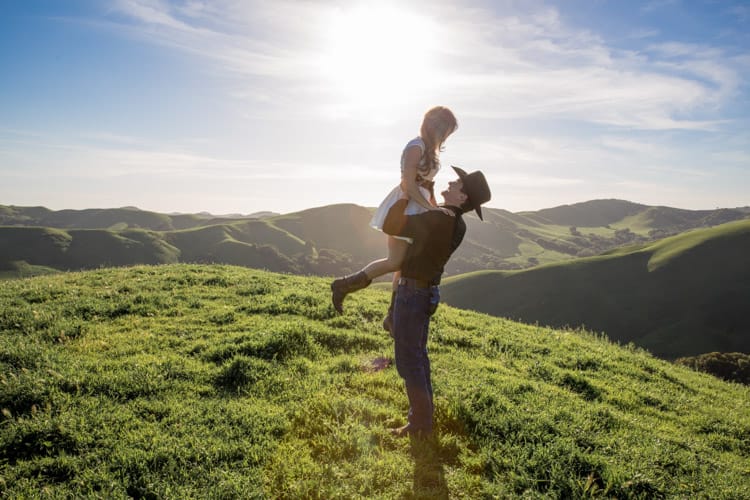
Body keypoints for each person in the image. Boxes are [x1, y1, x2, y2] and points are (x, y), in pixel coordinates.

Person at [381, 166, 491, 438]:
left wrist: (406, 193)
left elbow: (391, 225)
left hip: (414, 293)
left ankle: (420, 425)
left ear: (462, 197)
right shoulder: (453, 220)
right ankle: (423, 418)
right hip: (423, 292)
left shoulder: (441, 219)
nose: (452, 182)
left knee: (409, 361)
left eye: (457, 183)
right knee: (418, 357)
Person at [331, 106, 458, 322]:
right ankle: (343, 286)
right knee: (396, 261)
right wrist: (429, 208)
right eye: (447, 130)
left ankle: (392, 316)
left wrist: (435, 207)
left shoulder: (431, 149)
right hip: (407, 203)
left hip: (422, 203)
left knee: (407, 264)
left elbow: (429, 184)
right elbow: (408, 183)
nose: (447, 136)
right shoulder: (416, 146)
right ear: (438, 127)